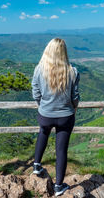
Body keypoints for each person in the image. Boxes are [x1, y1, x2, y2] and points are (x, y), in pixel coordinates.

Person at [31, 38, 80, 196]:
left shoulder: (39, 69)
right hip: (66, 116)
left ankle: (36, 165)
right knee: (61, 150)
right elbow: (75, 97)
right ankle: (59, 186)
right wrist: (74, 108)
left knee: (43, 133)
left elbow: (35, 92)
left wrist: (43, 106)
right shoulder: (72, 71)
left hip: (45, 114)